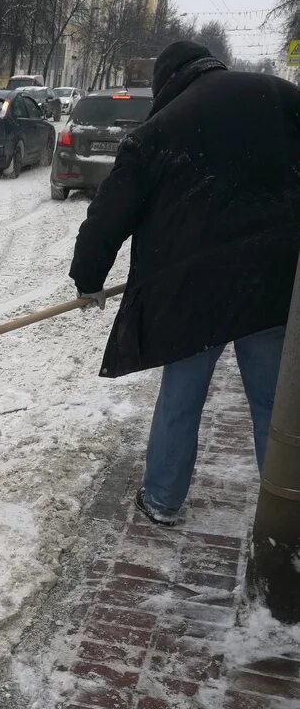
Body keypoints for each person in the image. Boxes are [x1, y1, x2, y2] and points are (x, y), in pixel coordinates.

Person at [70, 41, 300, 526]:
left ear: (168, 81)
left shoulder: (162, 127)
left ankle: (162, 500)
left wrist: (88, 277)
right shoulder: (281, 96)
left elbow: (110, 214)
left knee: (182, 392)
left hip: (196, 287)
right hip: (272, 279)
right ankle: (285, 510)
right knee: (272, 403)